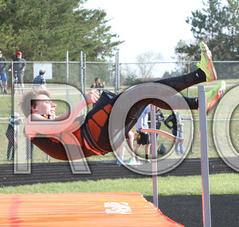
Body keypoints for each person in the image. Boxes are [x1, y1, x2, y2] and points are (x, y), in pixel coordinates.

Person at [21, 42, 226, 162]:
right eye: (47, 101)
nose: (52, 104)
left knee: (146, 96)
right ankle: (201, 74)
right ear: (33, 106)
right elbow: (65, 124)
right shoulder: (31, 124)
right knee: (142, 92)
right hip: (96, 135)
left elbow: (65, 123)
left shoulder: (44, 123)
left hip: (101, 138)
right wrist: (83, 102)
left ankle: (199, 104)